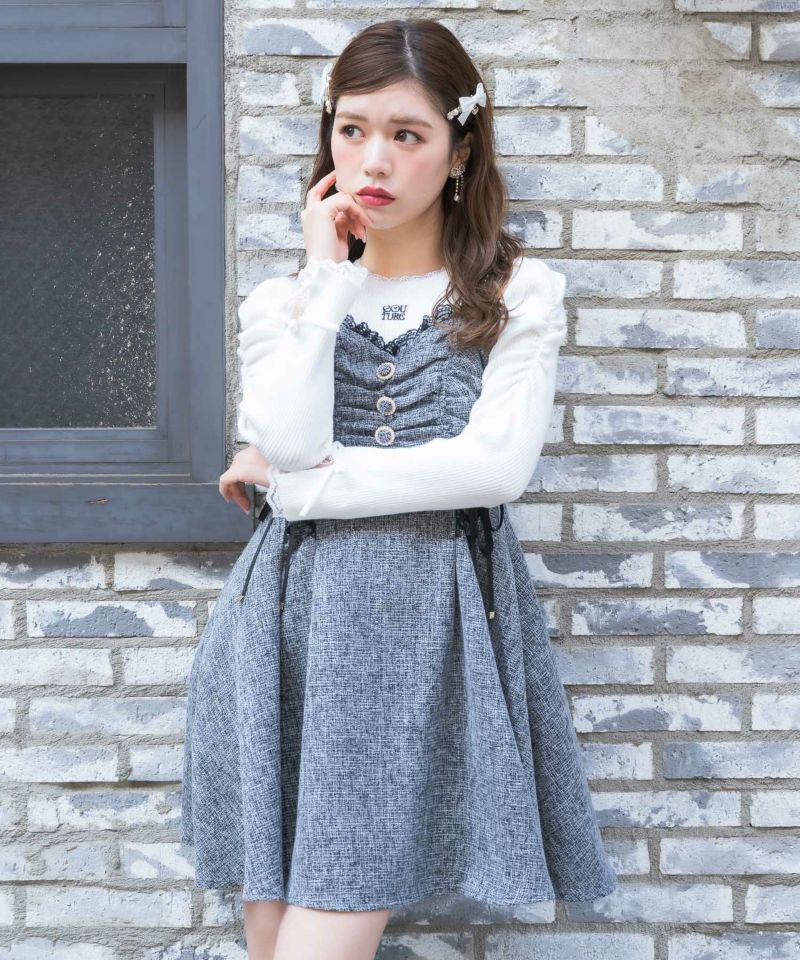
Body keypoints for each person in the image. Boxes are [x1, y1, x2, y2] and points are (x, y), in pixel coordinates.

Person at [180, 18, 618, 960]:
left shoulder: (517, 291)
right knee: (272, 939)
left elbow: (492, 470)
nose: (373, 159)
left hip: (427, 624)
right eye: (352, 129)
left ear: (459, 151)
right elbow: (287, 439)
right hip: (282, 624)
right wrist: (325, 279)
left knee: (320, 930)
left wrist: (301, 493)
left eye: (406, 134)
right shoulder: (286, 301)